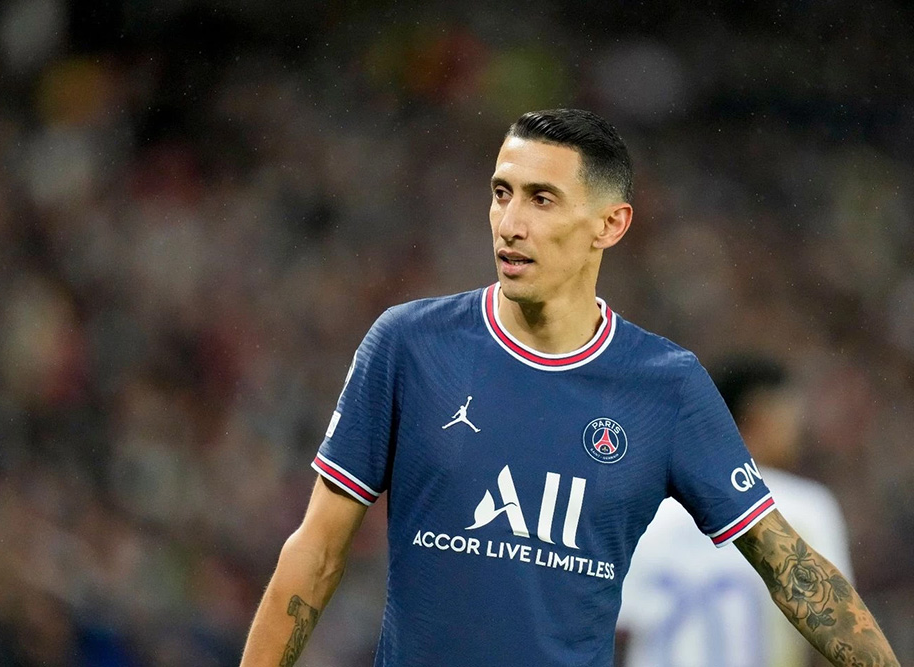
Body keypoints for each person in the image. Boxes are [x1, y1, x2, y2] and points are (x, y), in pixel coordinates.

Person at [240, 109, 899, 666]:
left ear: (610, 225)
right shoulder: (410, 345)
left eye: (541, 198)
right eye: (502, 192)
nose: (510, 223)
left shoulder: (665, 387)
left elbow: (790, 568)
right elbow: (317, 552)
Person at [616, 355, 854, 667]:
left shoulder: (652, 510)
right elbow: (835, 627)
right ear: (759, 417)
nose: (798, 431)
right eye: (790, 418)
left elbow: (618, 630)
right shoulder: (802, 509)